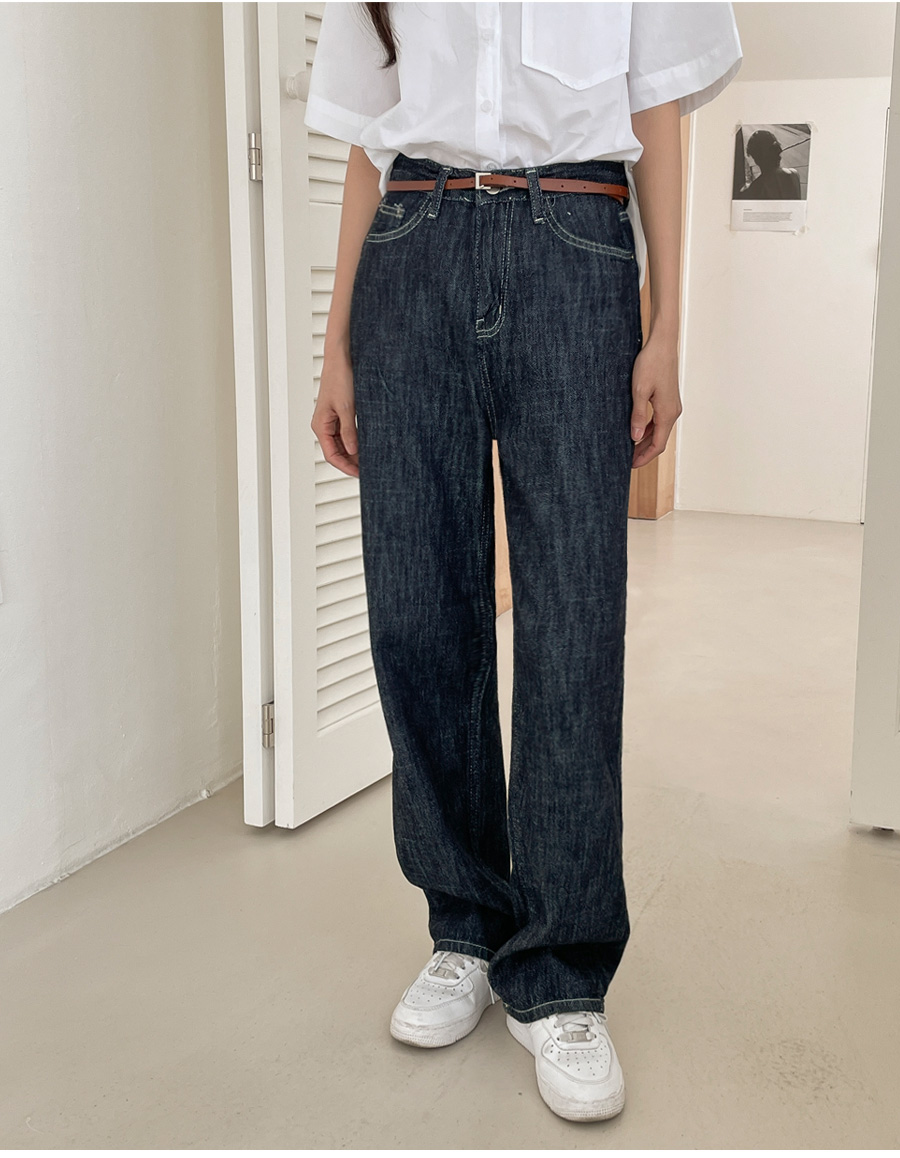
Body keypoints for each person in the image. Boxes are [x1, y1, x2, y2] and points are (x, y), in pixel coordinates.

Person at [305, 0, 741, 1123]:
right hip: (413, 245)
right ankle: (464, 924)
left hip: (578, 244)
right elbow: (364, 140)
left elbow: (660, 110)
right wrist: (336, 346)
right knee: (418, 612)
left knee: (573, 624)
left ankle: (559, 969)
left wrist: (666, 326)